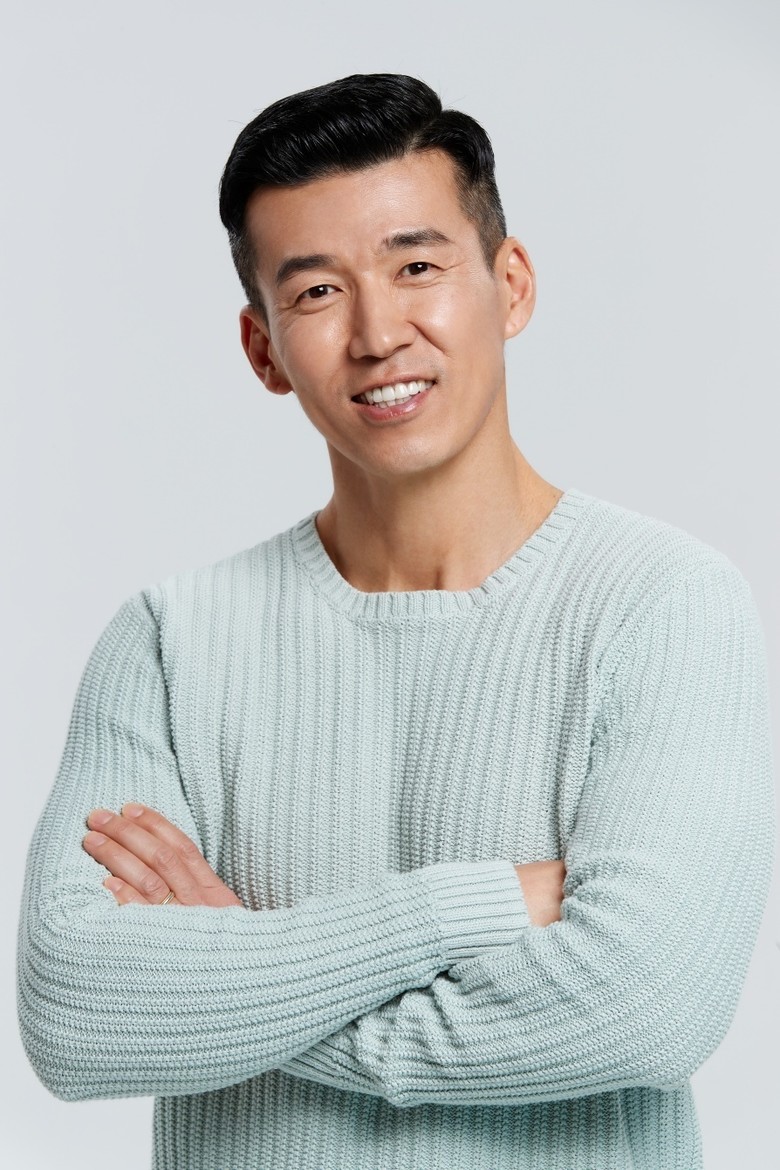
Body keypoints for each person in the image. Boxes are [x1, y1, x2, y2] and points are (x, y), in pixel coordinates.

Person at [17, 73, 775, 1170]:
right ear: (263, 350)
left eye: (417, 267)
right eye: (318, 292)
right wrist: (474, 907)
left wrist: (236, 975)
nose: (378, 333)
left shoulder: (663, 604)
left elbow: (649, 1008)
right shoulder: (171, 644)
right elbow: (79, 1014)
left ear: (510, 285)